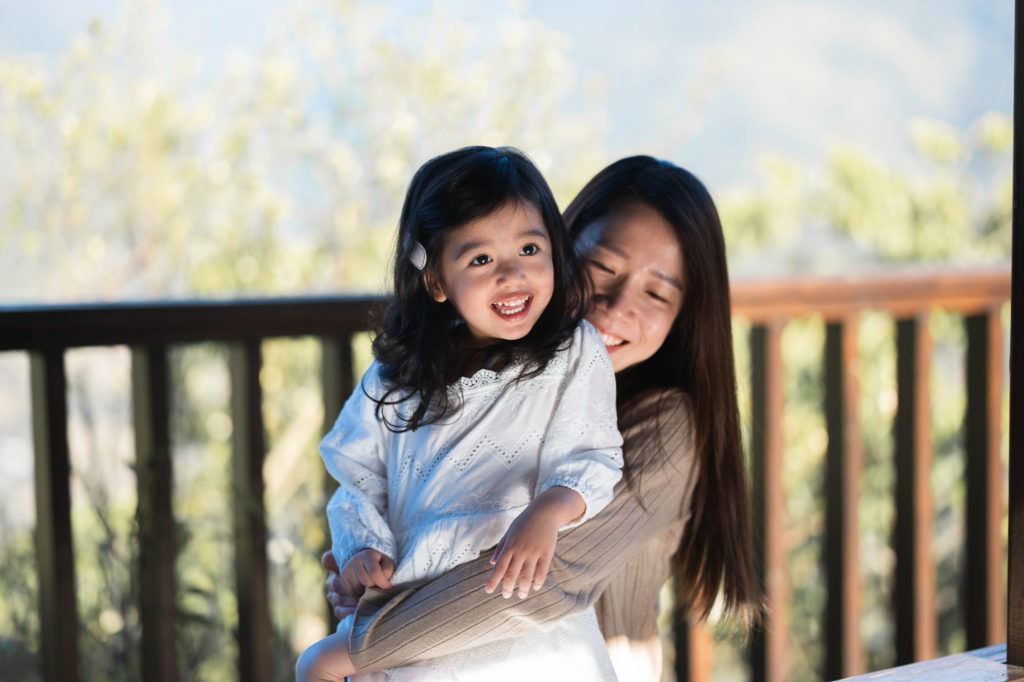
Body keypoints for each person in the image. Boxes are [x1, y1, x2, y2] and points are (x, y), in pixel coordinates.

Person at [316, 156, 764, 682]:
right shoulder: (456, 376)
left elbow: (548, 579)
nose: (616, 306)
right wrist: (371, 562)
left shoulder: (667, 424)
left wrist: (363, 640)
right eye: (603, 268)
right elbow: (373, 482)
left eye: (656, 292)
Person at [296, 146, 625, 682]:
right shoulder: (394, 380)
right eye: (480, 259)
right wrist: (363, 550)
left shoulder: (570, 353)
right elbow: (356, 481)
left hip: (512, 607)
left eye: (529, 247)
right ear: (436, 282)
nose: (512, 274)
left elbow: (594, 456)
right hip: (415, 612)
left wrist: (548, 512)